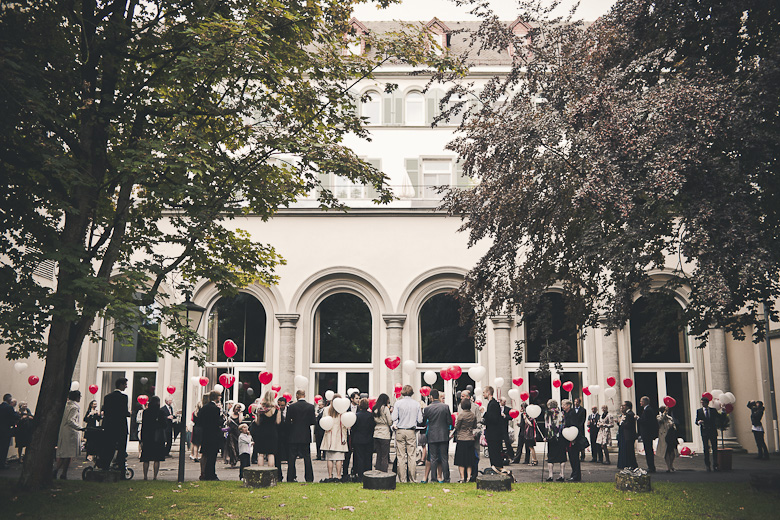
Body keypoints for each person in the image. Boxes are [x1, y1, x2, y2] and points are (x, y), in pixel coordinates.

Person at [391, 385, 423, 483]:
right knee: (412, 455)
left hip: (400, 430)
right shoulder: (416, 404)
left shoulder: (398, 403)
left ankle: (403, 479)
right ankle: (413, 478)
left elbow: (393, 418)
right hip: (411, 431)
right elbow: (420, 420)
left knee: (401, 456)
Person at [286, 389, 316, 483]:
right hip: (305, 435)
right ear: (304, 395)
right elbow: (313, 421)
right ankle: (309, 477)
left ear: (297, 395)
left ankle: (290, 477)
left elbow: (287, 421)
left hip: (293, 434)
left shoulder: (291, 407)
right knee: (307, 457)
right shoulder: (310, 407)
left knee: (292, 458)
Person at [422, 389, 451, 483]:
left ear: (431, 397)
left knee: (433, 458)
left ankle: (433, 478)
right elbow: (449, 421)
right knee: (444, 458)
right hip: (443, 435)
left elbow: (423, 422)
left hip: (432, 434)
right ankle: (446, 478)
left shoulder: (427, 408)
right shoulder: (445, 407)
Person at [101, 378, 130, 471]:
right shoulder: (124, 397)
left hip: (109, 426)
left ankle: (105, 467)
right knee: (121, 449)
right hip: (121, 426)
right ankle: (121, 469)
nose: (126, 386)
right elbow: (124, 412)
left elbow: (106, 412)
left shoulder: (107, 397)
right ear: (121, 385)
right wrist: (129, 413)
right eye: (125, 384)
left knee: (109, 447)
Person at [54, 390, 83, 479]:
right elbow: (71, 420)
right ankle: (63, 473)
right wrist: (79, 428)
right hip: (70, 432)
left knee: (63, 454)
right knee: (68, 454)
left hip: (63, 431)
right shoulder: (74, 407)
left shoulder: (65, 406)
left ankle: (57, 471)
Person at [320, 394, 349, 482]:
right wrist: (344, 437)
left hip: (329, 435)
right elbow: (344, 425)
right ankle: (339, 475)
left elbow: (323, 421)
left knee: (329, 458)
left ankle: (329, 476)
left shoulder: (326, 409)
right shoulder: (342, 411)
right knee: (339, 458)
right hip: (339, 435)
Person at [250, 391, 281, 471]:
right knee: (271, 454)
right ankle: (271, 473)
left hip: (262, 432)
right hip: (272, 432)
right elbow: (278, 422)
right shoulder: (276, 408)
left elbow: (258, 422)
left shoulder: (261, 408)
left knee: (261, 454)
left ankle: (261, 473)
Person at [198, 390, 224, 480]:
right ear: (216, 397)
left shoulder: (204, 408)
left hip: (205, 433)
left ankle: (204, 473)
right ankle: (211, 474)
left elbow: (199, 420)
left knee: (205, 454)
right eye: (219, 396)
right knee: (212, 455)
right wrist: (222, 418)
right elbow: (217, 422)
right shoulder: (216, 409)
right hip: (213, 434)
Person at [140, 395, 166, 480]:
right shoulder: (161, 412)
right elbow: (164, 425)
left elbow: (143, 426)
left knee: (146, 458)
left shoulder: (146, 412)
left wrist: (142, 438)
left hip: (147, 436)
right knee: (156, 458)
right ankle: (155, 476)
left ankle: (145, 476)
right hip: (157, 437)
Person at [482, 386, 506, 473]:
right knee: (494, 453)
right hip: (494, 434)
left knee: (494, 454)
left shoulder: (493, 404)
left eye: (484, 392)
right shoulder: (492, 403)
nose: (483, 394)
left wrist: (484, 414)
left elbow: (493, 419)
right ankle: (496, 469)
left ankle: (497, 470)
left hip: (494, 435)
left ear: (488, 393)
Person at [453, 398, 477, 483]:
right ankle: (469, 477)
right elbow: (474, 426)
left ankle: (462, 478)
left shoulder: (461, 415)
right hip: (470, 438)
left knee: (461, 460)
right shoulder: (473, 415)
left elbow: (457, 426)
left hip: (462, 438)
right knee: (469, 460)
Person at [351, 398, 375, 482]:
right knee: (368, 457)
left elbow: (353, 428)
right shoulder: (371, 416)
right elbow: (372, 427)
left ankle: (360, 475)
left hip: (358, 439)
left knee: (360, 457)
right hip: (368, 439)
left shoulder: (356, 415)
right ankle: (368, 474)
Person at [545, 399, 566, 481]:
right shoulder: (561, 413)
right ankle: (562, 474)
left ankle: (550, 475)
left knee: (551, 456)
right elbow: (563, 425)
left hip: (551, 437)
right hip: (560, 436)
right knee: (562, 457)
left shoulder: (548, 413)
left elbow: (547, 426)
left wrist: (546, 436)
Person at [695, 397, 719, 472]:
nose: (702, 404)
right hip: (704, 432)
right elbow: (696, 421)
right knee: (706, 448)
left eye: (703, 402)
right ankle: (707, 465)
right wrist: (699, 422)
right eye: (701, 402)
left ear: (707, 403)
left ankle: (715, 464)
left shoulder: (713, 410)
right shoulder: (699, 411)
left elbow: (718, 418)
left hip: (712, 431)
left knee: (714, 448)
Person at [342, 391, 360, 481]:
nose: (358, 400)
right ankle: (345, 473)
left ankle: (354, 472)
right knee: (347, 455)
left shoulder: (360, 409)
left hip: (356, 434)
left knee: (356, 455)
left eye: (359, 398)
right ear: (352, 399)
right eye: (356, 398)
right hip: (348, 434)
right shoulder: (346, 408)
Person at [562, 399, 582, 481]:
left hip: (573, 438)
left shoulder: (572, 413)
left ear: (568, 406)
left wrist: (573, 438)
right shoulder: (566, 413)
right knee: (571, 457)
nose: (562, 406)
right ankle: (574, 474)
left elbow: (574, 425)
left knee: (575, 457)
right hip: (568, 437)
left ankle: (576, 476)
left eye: (564, 405)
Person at [372, 393, 392, 472]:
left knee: (378, 454)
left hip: (376, 432)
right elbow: (389, 421)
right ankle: (384, 472)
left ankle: (377, 470)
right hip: (384, 433)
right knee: (384, 455)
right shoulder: (385, 409)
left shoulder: (375, 408)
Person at [638, 396, 658, 472]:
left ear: (645, 402)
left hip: (647, 434)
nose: (640, 403)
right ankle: (650, 466)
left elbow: (646, 422)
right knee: (648, 450)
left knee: (648, 450)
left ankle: (651, 467)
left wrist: (638, 419)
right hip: (647, 434)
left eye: (641, 401)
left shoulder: (648, 410)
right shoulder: (647, 410)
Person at [617, 401, 638, 469]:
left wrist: (621, 423)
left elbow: (628, 425)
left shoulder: (629, 414)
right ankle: (631, 464)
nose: (623, 407)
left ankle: (632, 465)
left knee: (630, 451)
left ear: (627, 406)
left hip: (629, 435)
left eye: (624, 405)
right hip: (628, 435)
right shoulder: (629, 413)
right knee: (629, 451)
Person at [656, 405, 678, 472]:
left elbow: (674, 425)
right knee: (666, 452)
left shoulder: (670, 418)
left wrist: (673, 426)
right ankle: (668, 467)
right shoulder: (658, 417)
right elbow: (660, 421)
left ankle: (671, 465)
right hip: (664, 436)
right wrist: (664, 414)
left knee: (672, 452)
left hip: (671, 436)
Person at [0, 393, 17, 470]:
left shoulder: (1, 407)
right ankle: (2, 464)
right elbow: (14, 416)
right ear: (9, 399)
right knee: (4, 448)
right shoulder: (9, 408)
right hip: (6, 430)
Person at [275, 396, 290, 480]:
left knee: (289, 457)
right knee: (278, 457)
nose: (281, 407)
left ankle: (291, 476)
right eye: (279, 405)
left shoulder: (289, 411)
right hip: (278, 436)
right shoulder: (276, 411)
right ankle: (278, 476)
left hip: (288, 436)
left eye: (282, 406)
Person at [223, 403, 242, 468]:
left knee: (237, 447)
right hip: (231, 433)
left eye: (238, 409)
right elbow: (228, 423)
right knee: (231, 447)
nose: (237, 410)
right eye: (236, 409)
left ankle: (236, 459)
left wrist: (240, 414)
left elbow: (240, 421)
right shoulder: (230, 415)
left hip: (237, 433)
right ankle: (232, 461)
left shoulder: (240, 415)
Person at [498, 397, 515, 463]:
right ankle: (501, 456)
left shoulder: (508, 409)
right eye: (503, 402)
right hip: (498, 428)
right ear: (500, 401)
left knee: (507, 442)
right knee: (499, 443)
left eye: (505, 402)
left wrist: (505, 416)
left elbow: (511, 417)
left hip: (505, 428)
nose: (504, 403)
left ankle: (512, 456)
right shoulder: (497, 408)